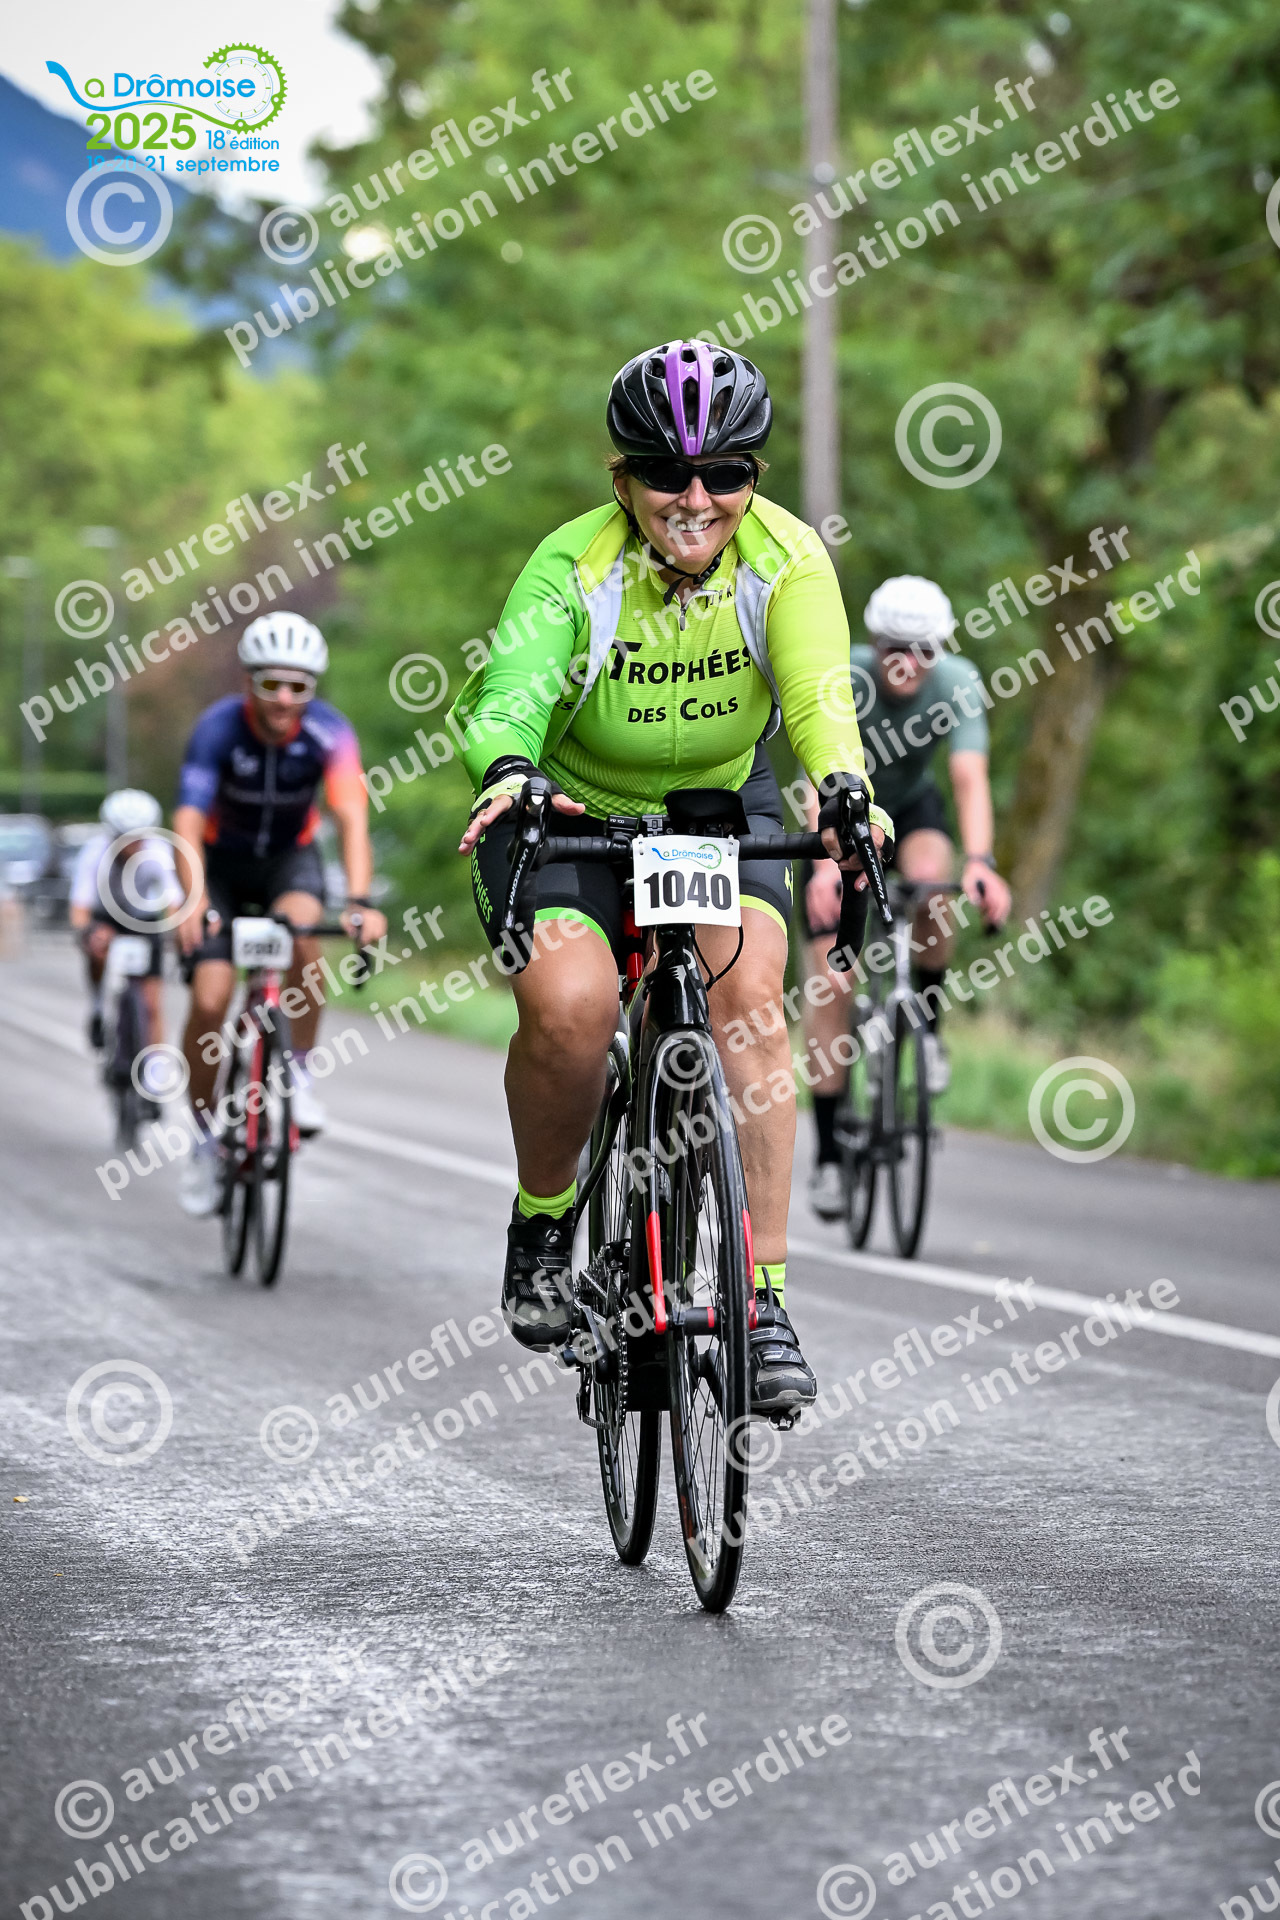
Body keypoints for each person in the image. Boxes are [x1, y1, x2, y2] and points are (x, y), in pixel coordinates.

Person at [455, 340, 890, 1416]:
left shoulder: (786, 562)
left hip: (712, 811)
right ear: (622, 478)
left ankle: (762, 1302)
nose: (695, 499)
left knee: (748, 1006)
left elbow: (817, 700)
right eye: (665, 473)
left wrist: (844, 791)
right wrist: (507, 768)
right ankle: (543, 1224)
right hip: (566, 810)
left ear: (754, 476)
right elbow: (509, 695)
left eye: (724, 473)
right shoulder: (572, 566)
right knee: (572, 1008)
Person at [800, 575, 1012, 1220]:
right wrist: (823, 866)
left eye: (923, 650)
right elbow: (817, 771)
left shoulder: (957, 681)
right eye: (894, 646)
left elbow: (968, 776)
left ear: (940, 649)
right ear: (875, 640)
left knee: (935, 885)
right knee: (831, 986)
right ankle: (828, 1156)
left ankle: (930, 1027)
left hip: (912, 812)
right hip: (843, 812)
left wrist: (981, 863)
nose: (907, 662)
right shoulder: (845, 674)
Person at [172, 612, 386, 1216]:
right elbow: (187, 819)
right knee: (210, 1001)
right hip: (219, 867)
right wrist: (191, 897)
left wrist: (361, 902)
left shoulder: (330, 733)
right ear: (249, 682)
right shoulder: (217, 729)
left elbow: (352, 818)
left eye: (299, 686)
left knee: (302, 938)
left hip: (288, 863)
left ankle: (297, 1075)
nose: (285, 698)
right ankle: (202, 1138)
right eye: (271, 684)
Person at [70, 789, 179, 1104]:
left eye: (139, 837)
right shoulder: (96, 852)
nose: (133, 844)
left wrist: (177, 934)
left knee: (151, 1001)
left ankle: (154, 1067)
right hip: (106, 917)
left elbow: (173, 901)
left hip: (143, 920)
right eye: (125, 838)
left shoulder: (158, 852)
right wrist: (87, 932)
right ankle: (97, 1005)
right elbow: (80, 906)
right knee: (96, 945)